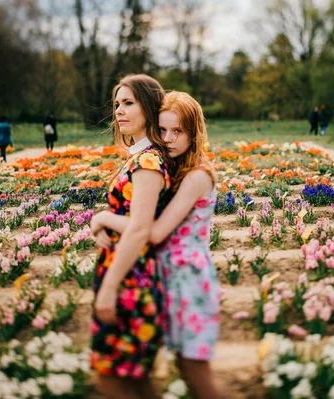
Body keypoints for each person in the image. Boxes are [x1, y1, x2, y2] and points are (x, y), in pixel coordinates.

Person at [91, 91, 221, 399]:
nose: (169, 138)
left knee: (195, 372)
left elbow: (153, 233)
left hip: (188, 279)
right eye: (162, 130)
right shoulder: (176, 168)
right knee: (169, 368)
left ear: (195, 132)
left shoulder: (198, 176)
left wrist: (104, 218)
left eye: (178, 131)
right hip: (168, 276)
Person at [90, 74, 170, 399]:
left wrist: (104, 217)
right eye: (117, 104)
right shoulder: (139, 157)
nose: (119, 111)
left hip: (131, 282)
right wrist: (106, 226)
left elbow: (140, 228)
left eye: (128, 103)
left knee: (110, 379)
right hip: (128, 275)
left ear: (149, 108)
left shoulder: (147, 161)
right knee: (135, 380)